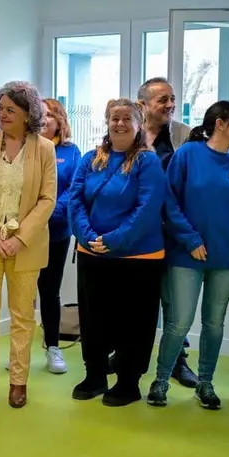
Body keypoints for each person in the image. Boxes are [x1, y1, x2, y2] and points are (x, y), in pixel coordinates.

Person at [146, 101, 229, 410]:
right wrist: (190, 239)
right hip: (186, 253)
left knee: (214, 324)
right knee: (178, 323)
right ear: (220, 123)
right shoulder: (188, 154)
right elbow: (169, 202)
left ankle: (205, 383)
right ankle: (162, 380)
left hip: (227, 255)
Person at [0, 81, 57, 409]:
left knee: (22, 317)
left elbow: (47, 199)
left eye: (9, 110)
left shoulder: (45, 148)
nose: (1, 114)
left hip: (25, 247)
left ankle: (19, 382)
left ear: (28, 114)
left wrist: (19, 239)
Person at [68, 99, 166, 406]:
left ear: (138, 125)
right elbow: (75, 200)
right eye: (114, 118)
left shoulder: (147, 162)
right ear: (107, 122)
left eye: (127, 119)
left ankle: (128, 381)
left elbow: (148, 208)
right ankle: (95, 374)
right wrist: (88, 236)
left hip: (138, 257)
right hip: (93, 253)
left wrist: (113, 240)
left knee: (133, 322)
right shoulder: (90, 158)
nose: (120, 123)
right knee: (93, 317)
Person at [137, 76, 199, 388]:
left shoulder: (186, 137)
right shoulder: (127, 134)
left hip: (172, 232)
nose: (170, 105)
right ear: (142, 105)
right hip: (137, 234)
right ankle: (127, 354)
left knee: (174, 301)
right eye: (163, 99)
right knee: (135, 299)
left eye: (172, 98)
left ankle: (178, 361)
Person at [37, 98, 80, 374]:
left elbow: (72, 190)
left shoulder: (70, 151)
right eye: (39, 114)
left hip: (56, 231)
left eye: (50, 114)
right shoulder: (25, 146)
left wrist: (45, 214)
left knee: (49, 291)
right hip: (24, 234)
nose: (44, 119)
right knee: (23, 291)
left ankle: (53, 347)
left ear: (59, 120)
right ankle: (19, 349)